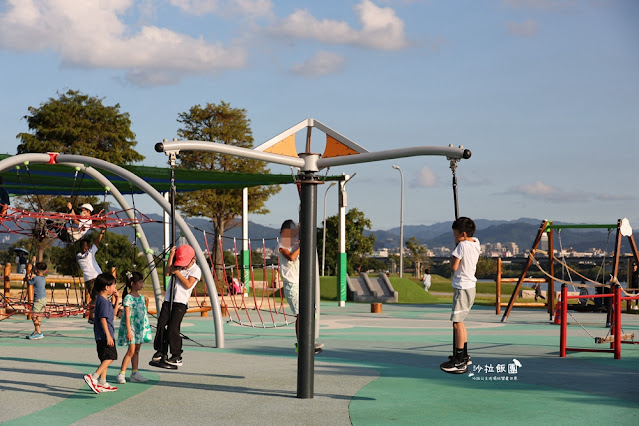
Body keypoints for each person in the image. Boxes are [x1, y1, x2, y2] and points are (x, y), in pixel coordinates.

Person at [439, 217, 480, 375]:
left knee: (457, 324)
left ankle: (460, 361)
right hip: (471, 287)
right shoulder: (476, 242)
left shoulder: (461, 245)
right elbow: (468, 242)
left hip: (462, 287)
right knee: (461, 323)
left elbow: (454, 267)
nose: (454, 237)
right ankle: (463, 355)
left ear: (462, 234)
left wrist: (457, 247)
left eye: (455, 234)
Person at [277, 220, 323, 354]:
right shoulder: (281, 245)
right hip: (291, 285)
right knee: (301, 315)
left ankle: (308, 340)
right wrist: (301, 246)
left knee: (310, 312)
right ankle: (301, 343)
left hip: (302, 284)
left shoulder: (295, 243)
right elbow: (291, 257)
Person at [152, 244, 201, 367]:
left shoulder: (196, 270)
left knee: (173, 329)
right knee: (161, 325)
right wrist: (171, 256)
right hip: (169, 300)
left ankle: (176, 355)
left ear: (193, 259)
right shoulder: (178, 265)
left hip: (180, 302)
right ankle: (160, 351)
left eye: (185, 262)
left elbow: (188, 285)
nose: (182, 265)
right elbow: (168, 272)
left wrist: (177, 273)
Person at [84, 273, 119, 394]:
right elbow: (103, 319)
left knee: (105, 358)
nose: (115, 287)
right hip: (104, 335)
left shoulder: (103, 299)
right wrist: (108, 335)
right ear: (106, 287)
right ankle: (93, 377)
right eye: (113, 285)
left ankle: (102, 382)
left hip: (102, 334)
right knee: (111, 357)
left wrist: (117, 299)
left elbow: (112, 315)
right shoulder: (103, 302)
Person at [116, 271, 152, 384]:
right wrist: (128, 331)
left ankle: (135, 373)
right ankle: (121, 373)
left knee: (136, 351)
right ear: (132, 283)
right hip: (131, 328)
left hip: (140, 329)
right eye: (140, 282)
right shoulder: (128, 298)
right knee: (131, 351)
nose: (142, 284)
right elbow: (127, 316)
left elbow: (144, 314)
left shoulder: (141, 297)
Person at [77, 229, 106, 323]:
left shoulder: (79, 255)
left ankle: (91, 315)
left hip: (89, 279)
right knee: (99, 296)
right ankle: (95, 313)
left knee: (95, 298)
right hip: (95, 278)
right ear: (88, 246)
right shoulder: (89, 253)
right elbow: (97, 242)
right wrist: (101, 232)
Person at [26, 259, 48, 340]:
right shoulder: (43, 278)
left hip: (38, 299)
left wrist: (28, 276)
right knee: (38, 316)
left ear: (35, 270)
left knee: (33, 316)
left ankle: (39, 333)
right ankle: (36, 331)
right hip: (44, 299)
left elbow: (29, 282)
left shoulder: (35, 278)